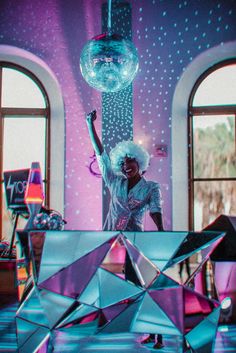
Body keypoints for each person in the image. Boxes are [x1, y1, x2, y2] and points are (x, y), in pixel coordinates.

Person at [86, 110, 165, 349]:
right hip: (111, 241)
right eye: (122, 162)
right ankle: (102, 323)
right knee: (105, 284)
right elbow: (101, 155)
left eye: (129, 161)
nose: (125, 165)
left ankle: (156, 334)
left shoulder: (151, 187)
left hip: (135, 243)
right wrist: (90, 124)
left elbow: (155, 210)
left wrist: (161, 232)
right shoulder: (114, 181)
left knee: (145, 288)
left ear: (139, 163)